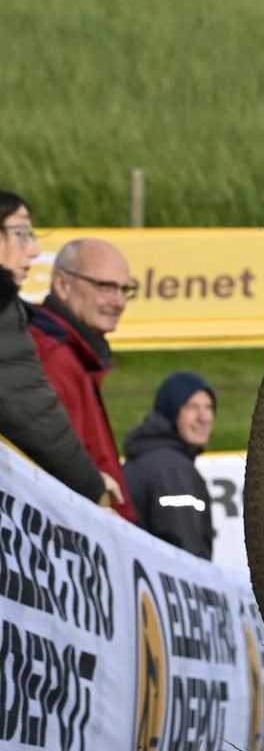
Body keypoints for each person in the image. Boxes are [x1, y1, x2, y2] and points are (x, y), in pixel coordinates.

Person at [0, 190, 123, 509]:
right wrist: (93, 487)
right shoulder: (47, 346)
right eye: (22, 234)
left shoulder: (72, 347)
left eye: (125, 290)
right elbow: (34, 411)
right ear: (63, 284)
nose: (34, 250)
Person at [28, 238, 135, 520]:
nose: (119, 302)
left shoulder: (76, 352)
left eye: (125, 289)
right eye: (106, 287)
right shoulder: (53, 356)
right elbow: (59, 466)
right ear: (63, 285)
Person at [122, 371, 217, 558]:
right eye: (192, 407)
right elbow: (186, 555)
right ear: (170, 412)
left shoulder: (149, 457)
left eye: (209, 407)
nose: (204, 417)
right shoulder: (174, 470)